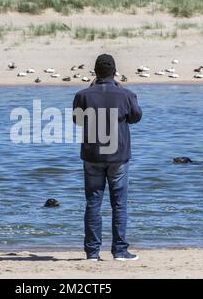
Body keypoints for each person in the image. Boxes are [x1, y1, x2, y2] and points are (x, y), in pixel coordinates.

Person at [73, 54, 142, 261]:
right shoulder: (126, 94)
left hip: (92, 155)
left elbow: (77, 121)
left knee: (93, 202)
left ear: (95, 72)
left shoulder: (82, 95)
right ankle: (119, 250)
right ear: (114, 72)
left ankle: (92, 252)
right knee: (119, 204)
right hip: (118, 156)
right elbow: (136, 117)